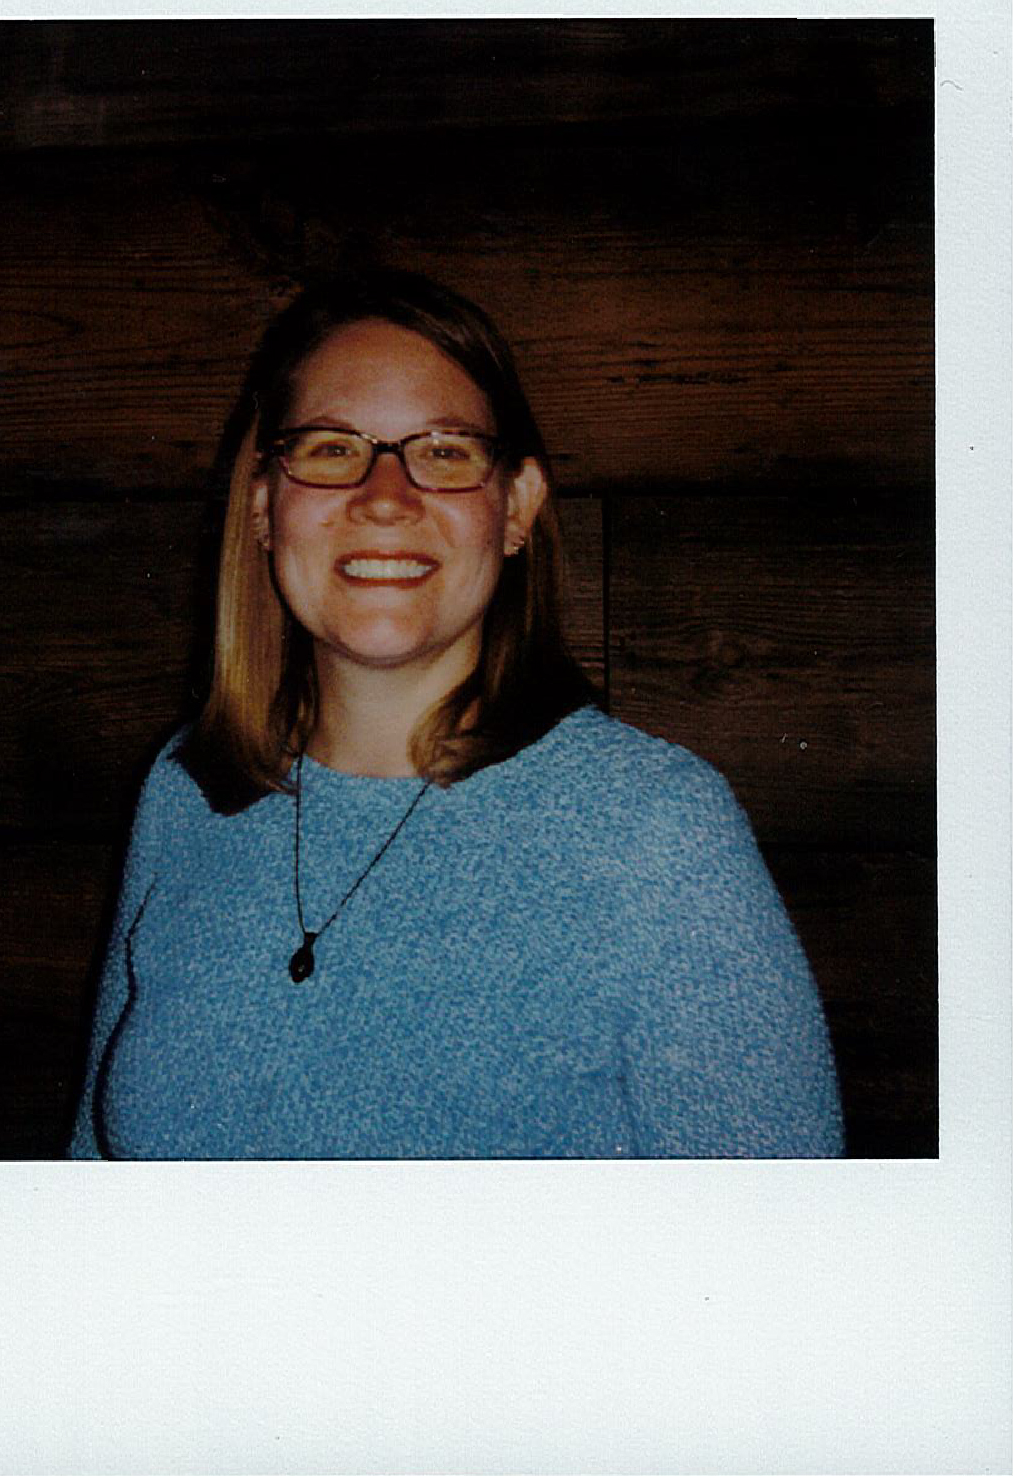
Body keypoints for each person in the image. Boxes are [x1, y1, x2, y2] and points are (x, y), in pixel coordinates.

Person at [68, 270, 844, 1160]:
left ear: (516, 507)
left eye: (443, 452)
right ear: (263, 507)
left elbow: (780, 1236)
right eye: (331, 448)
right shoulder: (186, 794)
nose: (384, 496)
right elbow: (94, 1184)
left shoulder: (652, 828)